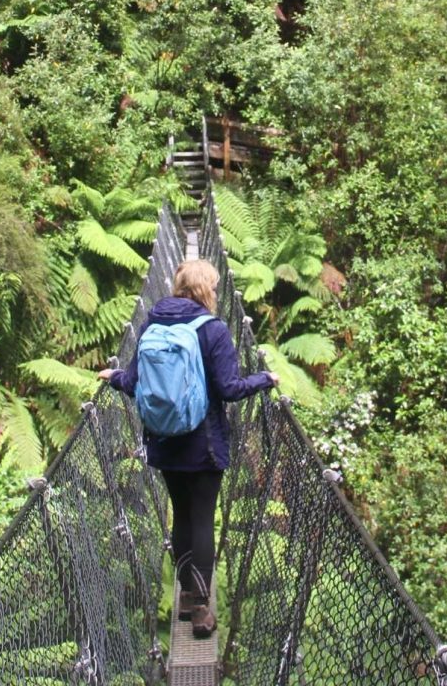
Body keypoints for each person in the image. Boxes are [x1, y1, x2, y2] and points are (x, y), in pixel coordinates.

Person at [98, 259, 278, 639]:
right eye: (213, 285)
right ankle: (200, 609)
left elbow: (133, 381)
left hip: (164, 441)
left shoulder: (152, 324)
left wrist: (113, 376)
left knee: (179, 516)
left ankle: (185, 596)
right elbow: (229, 389)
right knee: (201, 520)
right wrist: (266, 378)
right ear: (207, 290)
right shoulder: (213, 330)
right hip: (204, 443)